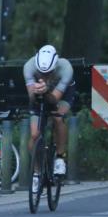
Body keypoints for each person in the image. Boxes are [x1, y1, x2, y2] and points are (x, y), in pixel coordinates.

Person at [23, 45, 75, 176]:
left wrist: (46, 91)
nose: (45, 76)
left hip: (62, 94)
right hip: (40, 94)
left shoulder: (66, 68)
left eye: (48, 73)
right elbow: (31, 97)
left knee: (58, 118)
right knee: (35, 135)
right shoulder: (29, 67)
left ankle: (60, 157)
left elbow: (54, 100)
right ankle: (37, 171)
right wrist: (37, 91)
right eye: (41, 73)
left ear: (55, 66)